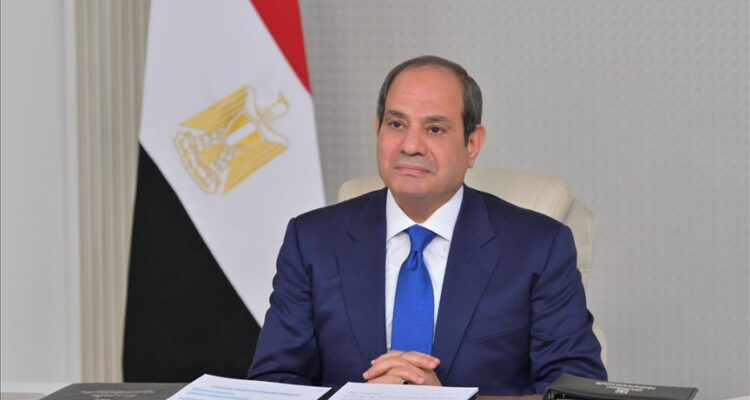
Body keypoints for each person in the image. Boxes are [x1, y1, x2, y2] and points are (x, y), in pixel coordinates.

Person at [247, 55, 607, 395]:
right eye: (396, 124)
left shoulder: (538, 247)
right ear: (377, 129)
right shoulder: (312, 241)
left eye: (435, 129)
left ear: (472, 144)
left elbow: (574, 391)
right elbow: (271, 383)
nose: (411, 145)